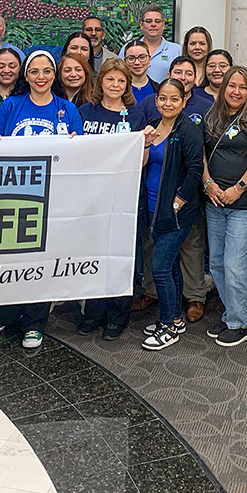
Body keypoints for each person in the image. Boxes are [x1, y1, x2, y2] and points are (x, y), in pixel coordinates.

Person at [0, 51, 83, 348]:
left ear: (54, 76)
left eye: (46, 71)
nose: (41, 77)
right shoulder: (11, 105)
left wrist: (74, 145)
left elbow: (82, 153)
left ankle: (34, 322)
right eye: (34, 71)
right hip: (14, 195)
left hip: (52, 198)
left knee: (41, 259)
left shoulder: (68, 109)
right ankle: (6, 314)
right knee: (10, 258)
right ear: (26, 76)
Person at [77, 58, 150, 340]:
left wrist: (144, 143)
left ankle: (118, 316)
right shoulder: (85, 111)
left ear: (127, 85)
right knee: (94, 255)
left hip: (124, 197)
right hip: (92, 197)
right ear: (100, 82)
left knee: (121, 256)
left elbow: (140, 161)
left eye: (121, 81)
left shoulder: (135, 116)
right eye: (110, 80)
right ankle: (93, 313)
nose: (115, 85)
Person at [202, 66, 247, 347]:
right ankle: (232, 312)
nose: (236, 92)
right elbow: (202, 152)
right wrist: (208, 183)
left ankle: (241, 323)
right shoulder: (212, 115)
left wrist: (238, 188)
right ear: (223, 87)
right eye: (232, 86)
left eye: (243, 87)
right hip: (215, 199)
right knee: (217, 262)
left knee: (236, 264)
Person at [138, 56, 213, 321]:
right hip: (153, 207)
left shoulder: (190, 129)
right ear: (156, 100)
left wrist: (179, 200)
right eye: (162, 98)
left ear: (183, 102)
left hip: (176, 211)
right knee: (168, 268)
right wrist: (146, 144)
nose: (167, 104)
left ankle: (168, 322)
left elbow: (195, 169)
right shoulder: (154, 128)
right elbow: (144, 165)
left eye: (174, 99)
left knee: (160, 268)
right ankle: (177, 320)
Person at [119, 6, 180, 81]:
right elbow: (119, 74)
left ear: (163, 25)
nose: (153, 24)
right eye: (148, 21)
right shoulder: (128, 49)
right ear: (141, 25)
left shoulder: (176, 50)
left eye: (157, 21)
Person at [125, 39, 159, 103]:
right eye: (131, 58)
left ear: (149, 59)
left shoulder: (158, 89)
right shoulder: (118, 89)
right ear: (125, 61)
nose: (137, 62)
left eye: (142, 57)